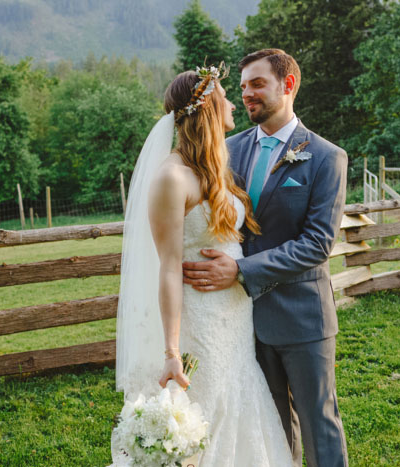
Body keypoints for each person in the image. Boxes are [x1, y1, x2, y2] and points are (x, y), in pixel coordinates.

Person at [113, 65, 293, 466]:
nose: (234, 102)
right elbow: (167, 268)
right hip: (201, 323)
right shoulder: (172, 177)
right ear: (209, 109)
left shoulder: (214, 170)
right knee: (205, 414)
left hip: (234, 318)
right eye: (226, 96)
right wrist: (171, 351)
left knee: (238, 406)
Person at [182, 49, 349, 467]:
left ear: (287, 85)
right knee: (270, 427)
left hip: (302, 316)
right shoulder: (228, 150)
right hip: (240, 320)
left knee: (318, 422)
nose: (247, 94)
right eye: (242, 87)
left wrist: (240, 269)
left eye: (257, 84)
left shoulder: (327, 157)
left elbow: (317, 243)